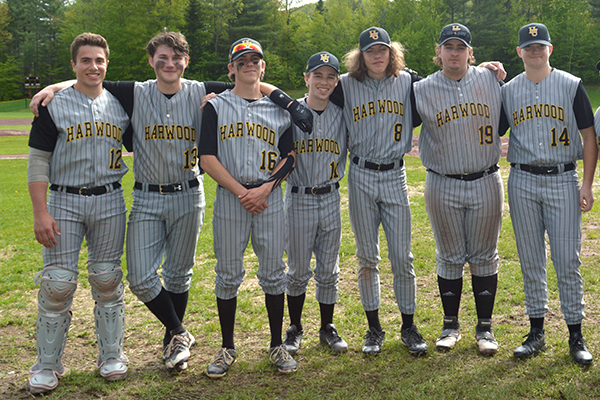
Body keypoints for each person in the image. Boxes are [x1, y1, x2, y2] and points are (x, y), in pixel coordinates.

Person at [30, 30, 311, 372]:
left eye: (176, 58)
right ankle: (179, 330)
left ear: (186, 62)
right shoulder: (134, 92)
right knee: (140, 277)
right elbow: (90, 78)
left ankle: (172, 345)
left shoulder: (200, 90)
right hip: (147, 195)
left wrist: (286, 100)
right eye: (161, 58)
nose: (169, 64)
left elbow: (251, 84)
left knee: (179, 276)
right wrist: (53, 88)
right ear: (151, 61)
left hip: (189, 193)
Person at [27, 32, 131, 394]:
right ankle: (47, 363)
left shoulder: (120, 103)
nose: (94, 66)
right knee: (57, 283)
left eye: (99, 60)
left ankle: (111, 354)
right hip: (64, 200)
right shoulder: (53, 105)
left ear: (107, 63)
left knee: (107, 278)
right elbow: (38, 162)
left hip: (109, 199)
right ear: (74, 65)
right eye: (85, 60)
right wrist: (40, 213)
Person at [324, 26, 428, 356]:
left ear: (391, 52)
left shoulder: (409, 81)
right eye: (370, 51)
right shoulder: (345, 84)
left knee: (402, 256)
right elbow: (312, 93)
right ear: (361, 56)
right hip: (361, 175)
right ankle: (374, 328)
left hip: (395, 175)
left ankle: (408, 326)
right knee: (367, 257)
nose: (378, 55)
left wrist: (486, 68)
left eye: (382, 49)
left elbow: (449, 83)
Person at [200, 37, 297, 378]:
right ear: (231, 68)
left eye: (255, 60)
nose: (249, 66)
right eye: (242, 62)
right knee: (227, 275)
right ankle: (227, 347)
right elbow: (207, 157)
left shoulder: (278, 109)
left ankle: (275, 345)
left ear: (263, 67)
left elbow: (290, 156)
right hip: (232, 196)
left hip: (269, 198)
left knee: (274, 273)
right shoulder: (215, 106)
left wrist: (266, 188)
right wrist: (244, 192)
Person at [503, 23, 597, 365]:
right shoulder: (509, 90)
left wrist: (586, 184)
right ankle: (536, 332)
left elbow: (588, 136)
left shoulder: (571, 85)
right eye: (528, 47)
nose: (534, 51)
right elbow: (493, 127)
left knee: (567, 261)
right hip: (522, 180)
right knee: (531, 260)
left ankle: (575, 334)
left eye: (540, 46)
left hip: (562, 178)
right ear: (519, 52)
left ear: (550, 49)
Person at [413, 23, 508, 355]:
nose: (454, 53)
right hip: (442, 181)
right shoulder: (421, 88)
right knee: (449, 256)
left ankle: (485, 328)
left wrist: (493, 69)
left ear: (471, 53)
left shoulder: (491, 80)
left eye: (461, 47)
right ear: (438, 53)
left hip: (485, 179)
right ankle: (450, 324)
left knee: (484, 256)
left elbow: (508, 119)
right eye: (448, 47)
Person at [281, 52, 348, 356]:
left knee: (329, 268)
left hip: (331, 196)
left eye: (330, 76)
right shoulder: (288, 112)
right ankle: (294, 327)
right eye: (317, 75)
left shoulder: (342, 113)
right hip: (299, 197)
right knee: (296, 270)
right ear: (306, 78)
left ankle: (327, 327)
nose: (324, 82)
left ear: (337, 81)